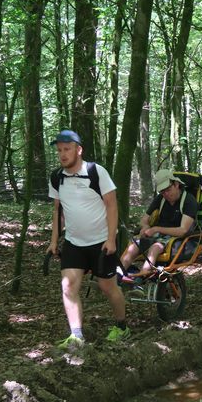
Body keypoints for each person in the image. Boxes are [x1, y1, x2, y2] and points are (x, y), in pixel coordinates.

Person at [47, 129, 129, 349]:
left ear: (79, 150)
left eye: (67, 149)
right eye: (59, 150)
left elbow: (112, 205)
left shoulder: (96, 172)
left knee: (107, 287)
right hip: (74, 243)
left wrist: (111, 239)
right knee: (68, 286)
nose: (63, 154)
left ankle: (122, 325)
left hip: (101, 242)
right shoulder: (57, 177)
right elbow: (57, 210)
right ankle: (77, 336)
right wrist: (54, 240)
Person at [119, 168, 198, 276]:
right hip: (157, 235)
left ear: (176, 184)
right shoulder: (160, 199)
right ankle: (117, 276)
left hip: (176, 239)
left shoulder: (189, 200)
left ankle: (142, 275)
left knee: (155, 247)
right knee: (134, 246)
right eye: (162, 191)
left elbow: (183, 230)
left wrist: (157, 229)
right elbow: (143, 220)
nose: (165, 194)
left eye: (168, 189)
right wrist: (146, 226)